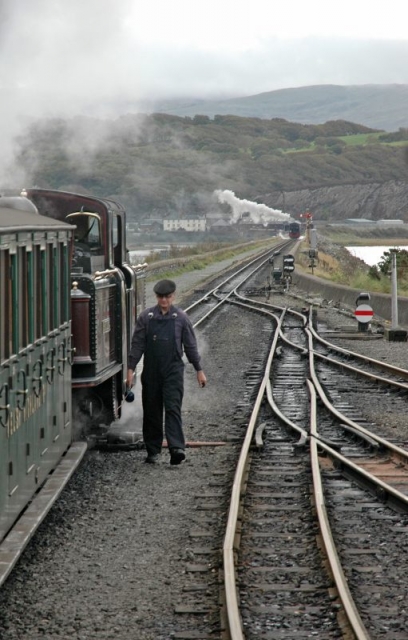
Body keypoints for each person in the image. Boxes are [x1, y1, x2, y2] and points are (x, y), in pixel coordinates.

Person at [126, 279, 207, 465]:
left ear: (173, 297)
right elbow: (137, 345)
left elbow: (190, 346)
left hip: (173, 371)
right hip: (152, 372)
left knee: (172, 409)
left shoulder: (181, 318)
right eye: (161, 297)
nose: (164, 300)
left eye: (168, 297)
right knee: (152, 411)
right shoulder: (146, 317)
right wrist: (130, 369)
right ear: (156, 297)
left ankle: (176, 448)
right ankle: (152, 450)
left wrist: (199, 370)